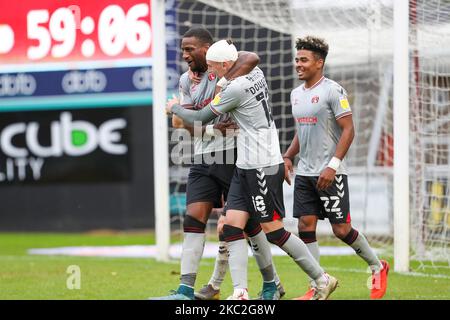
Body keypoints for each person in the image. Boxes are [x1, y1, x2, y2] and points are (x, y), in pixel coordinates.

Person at [166, 39, 338, 300]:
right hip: (246, 164)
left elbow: (200, 118)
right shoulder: (254, 73)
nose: (212, 74)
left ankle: (321, 278)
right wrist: (222, 79)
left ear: (226, 64)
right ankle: (240, 292)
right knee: (232, 226)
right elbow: (248, 58)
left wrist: (174, 107)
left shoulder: (236, 88)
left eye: (214, 68)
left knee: (274, 231)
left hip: (261, 165)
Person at [153, 27, 283, 300]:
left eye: (190, 49)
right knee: (193, 219)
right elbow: (182, 123)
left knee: (246, 225)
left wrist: (217, 91)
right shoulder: (186, 81)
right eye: (183, 49)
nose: (185, 55)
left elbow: (251, 57)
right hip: (202, 157)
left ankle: (272, 283)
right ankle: (185, 289)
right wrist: (212, 130)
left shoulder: (225, 72)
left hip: (234, 155)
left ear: (208, 49)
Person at [282, 36, 389, 300]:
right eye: (297, 59)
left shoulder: (334, 91)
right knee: (305, 226)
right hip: (305, 172)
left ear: (319, 63)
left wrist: (332, 165)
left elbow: (349, 130)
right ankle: (318, 284)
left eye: (303, 60)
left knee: (341, 229)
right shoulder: (296, 94)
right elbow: (302, 131)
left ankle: (377, 265)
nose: (298, 64)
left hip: (331, 173)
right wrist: (288, 156)